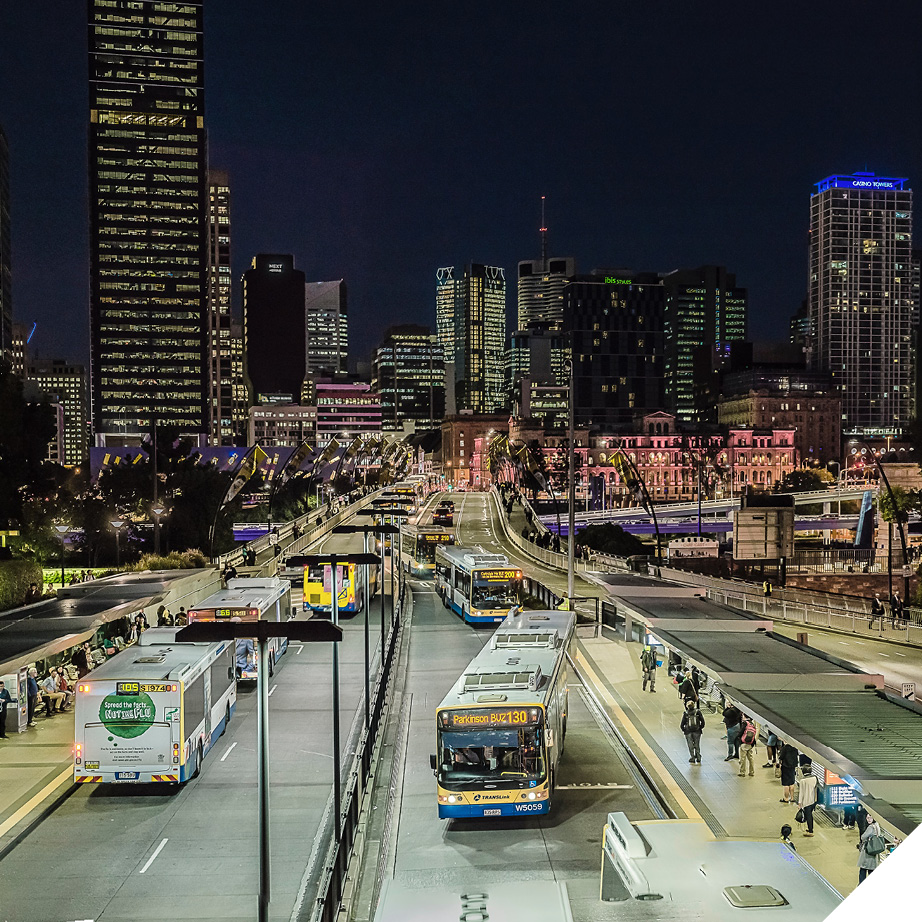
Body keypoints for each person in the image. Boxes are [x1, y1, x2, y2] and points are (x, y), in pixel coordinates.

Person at [857, 815, 884, 883]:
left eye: (870, 818)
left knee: (863, 869)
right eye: (867, 818)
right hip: (875, 851)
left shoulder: (871, 827)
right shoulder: (877, 825)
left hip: (868, 851)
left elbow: (863, 837)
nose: (868, 819)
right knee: (871, 870)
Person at [796, 762, 818, 836]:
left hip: (806, 801)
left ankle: (811, 831)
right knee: (810, 815)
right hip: (813, 800)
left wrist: (799, 803)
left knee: (809, 816)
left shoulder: (803, 781)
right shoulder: (814, 778)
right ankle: (810, 828)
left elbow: (801, 793)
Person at [680, 699, 705, 763]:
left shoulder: (686, 713)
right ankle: (698, 757)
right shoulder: (698, 712)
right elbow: (703, 721)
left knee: (690, 745)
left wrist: (684, 730)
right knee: (697, 744)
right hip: (697, 731)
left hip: (688, 731)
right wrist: (700, 728)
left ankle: (692, 757)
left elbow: (682, 724)